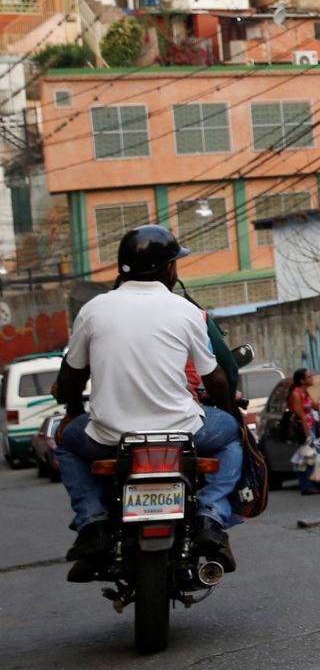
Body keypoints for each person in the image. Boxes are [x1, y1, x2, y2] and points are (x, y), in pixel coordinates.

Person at [54, 225, 245, 581]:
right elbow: (216, 378)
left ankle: (93, 522)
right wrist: (227, 411)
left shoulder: (94, 310)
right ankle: (210, 516)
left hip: (110, 437)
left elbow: (70, 379)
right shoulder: (184, 310)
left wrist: (73, 411)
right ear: (168, 268)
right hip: (182, 434)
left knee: (66, 442)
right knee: (232, 435)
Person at [288, 368, 320, 494]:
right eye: (309, 377)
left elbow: (315, 406)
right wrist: (307, 434)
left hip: (312, 427)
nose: (312, 378)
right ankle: (308, 486)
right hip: (304, 429)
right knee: (308, 457)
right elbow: (300, 415)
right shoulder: (296, 394)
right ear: (302, 380)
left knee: (308, 457)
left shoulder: (306, 393)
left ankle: (308, 485)